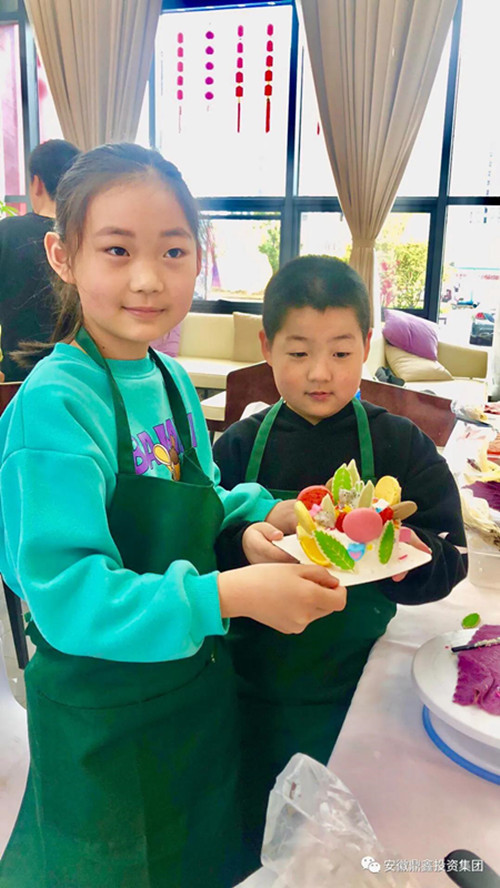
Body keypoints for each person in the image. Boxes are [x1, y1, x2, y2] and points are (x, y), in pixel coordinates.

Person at [0, 145, 347, 888]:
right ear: (63, 256)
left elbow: (202, 495)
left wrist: (271, 515)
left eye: (172, 250)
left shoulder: (171, 380)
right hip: (102, 724)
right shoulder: (56, 407)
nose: (148, 278)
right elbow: (69, 596)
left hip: (191, 700)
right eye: (117, 250)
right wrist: (229, 594)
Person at [213, 254, 467, 874]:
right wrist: (242, 541)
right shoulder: (238, 445)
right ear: (266, 347)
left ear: (367, 345)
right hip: (248, 687)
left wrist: (408, 557)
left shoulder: (400, 444)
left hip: (358, 687)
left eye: (342, 352)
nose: (320, 373)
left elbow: (451, 552)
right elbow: (201, 543)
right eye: (299, 353)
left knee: (337, 847)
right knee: (249, 835)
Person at [0, 139, 81, 381]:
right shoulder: (90, 238)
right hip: (83, 377)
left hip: (19, 380)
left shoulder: (7, 232)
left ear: (36, 183)